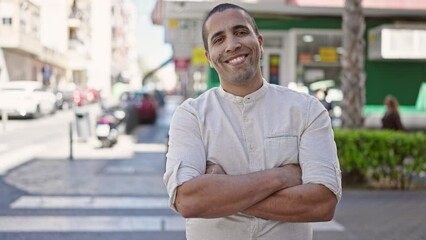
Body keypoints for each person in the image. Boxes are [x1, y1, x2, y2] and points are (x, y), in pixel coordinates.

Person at [163, 3, 342, 240]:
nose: (232, 45)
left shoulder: (306, 110)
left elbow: (322, 204)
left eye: (240, 32)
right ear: (208, 58)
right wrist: (282, 177)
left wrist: (221, 192)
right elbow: (188, 200)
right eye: (218, 39)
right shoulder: (192, 115)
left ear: (259, 41)